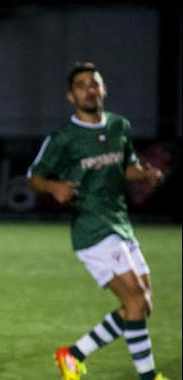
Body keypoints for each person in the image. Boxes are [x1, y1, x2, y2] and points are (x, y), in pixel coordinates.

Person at [27, 62, 168, 380]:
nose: (89, 89)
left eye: (94, 83)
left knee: (142, 305)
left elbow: (125, 167)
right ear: (70, 96)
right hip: (91, 228)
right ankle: (148, 377)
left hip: (120, 222)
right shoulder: (64, 138)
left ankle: (73, 355)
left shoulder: (120, 126)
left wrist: (145, 174)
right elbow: (34, 177)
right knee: (135, 299)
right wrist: (54, 187)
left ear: (103, 89)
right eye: (81, 85)